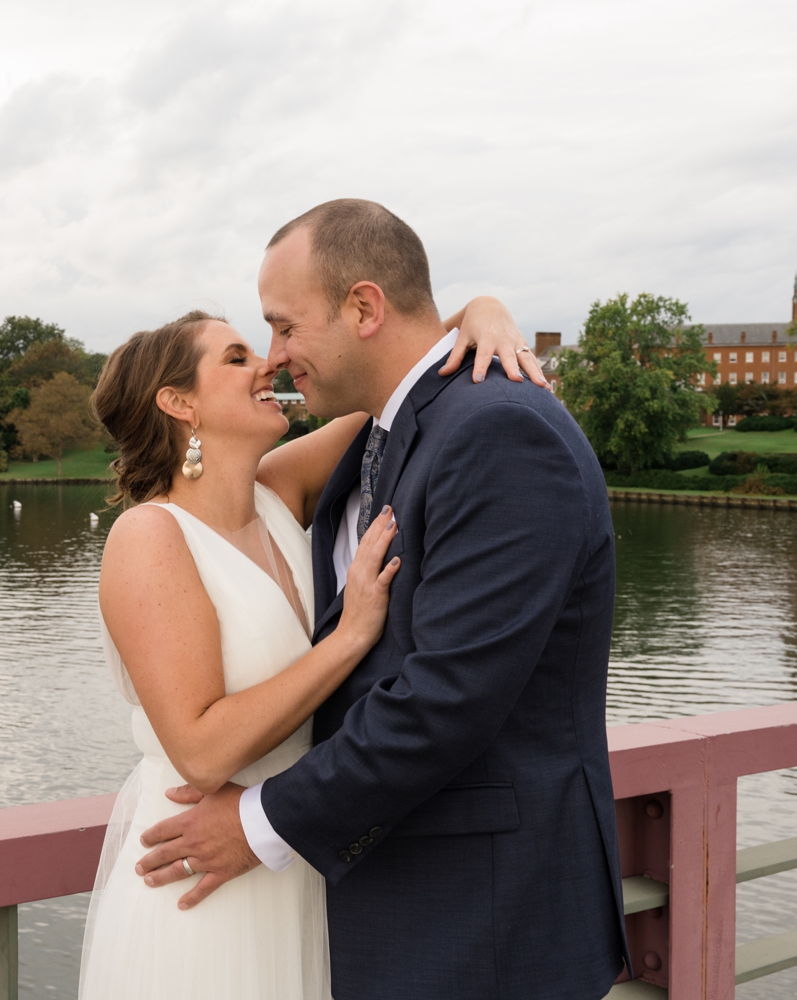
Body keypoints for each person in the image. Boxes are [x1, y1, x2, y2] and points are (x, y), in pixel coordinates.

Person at [133, 200, 629, 1000]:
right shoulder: (380, 437)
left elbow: (446, 699)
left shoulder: (499, 432)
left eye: (285, 327)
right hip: (377, 898)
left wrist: (259, 824)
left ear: (362, 307)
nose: (274, 357)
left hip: (480, 918)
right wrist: (479, 309)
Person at [79, 290, 542, 996]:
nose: (267, 365)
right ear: (180, 404)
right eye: (237, 357)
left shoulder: (278, 489)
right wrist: (350, 635)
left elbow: (394, 383)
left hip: (293, 850)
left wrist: (478, 313)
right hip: (206, 871)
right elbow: (200, 752)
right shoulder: (149, 537)